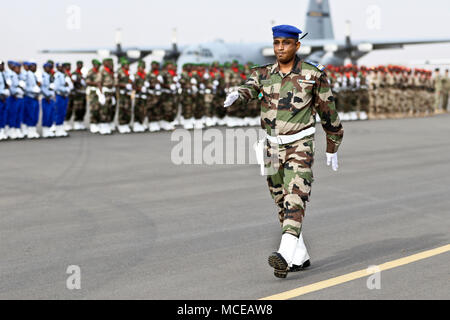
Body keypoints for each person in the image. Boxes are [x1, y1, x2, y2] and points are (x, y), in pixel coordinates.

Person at [224, 25, 344, 278]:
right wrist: (238, 94)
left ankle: (285, 252)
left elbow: (328, 111)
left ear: (296, 46)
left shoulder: (313, 74)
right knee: (280, 199)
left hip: (299, 145)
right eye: (276, 42)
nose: (280, 48)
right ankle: (299, 255)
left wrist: (332, 145)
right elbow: (249, 88)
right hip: (270, 147)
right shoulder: (263, 74)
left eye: (286, 43)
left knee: (295, 196)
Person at [23, 61, 40, 139]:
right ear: (30, 67)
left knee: (35, 114)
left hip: (34, 98)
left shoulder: (33, 75)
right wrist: (32, 90)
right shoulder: (27, 74)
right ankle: (30, 131)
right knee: (30, 114)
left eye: (36, 66)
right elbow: (25, 87)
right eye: (33, 66)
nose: (35, 68)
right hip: (30, 97)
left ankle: (33, 130)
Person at [86, 59, 102, 133]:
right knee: (94, 108)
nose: (98, 66)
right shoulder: (91, 72)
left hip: (99, 92)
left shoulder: (99, 72)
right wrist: (96, 84)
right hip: (93, 92)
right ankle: (93, 124)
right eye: (97, 65)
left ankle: (97, 123)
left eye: (99, 65)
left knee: (99, 108)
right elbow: (88, 82)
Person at [41, 62, 56, 138]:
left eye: (50, 67)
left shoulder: (50, 76)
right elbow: (42, 87)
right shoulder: (43, 76)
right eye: (47, 67)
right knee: (46, 114)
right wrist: (47, 95)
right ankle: (45, 130)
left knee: (51, 114)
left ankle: (49, 129)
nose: (49, 69)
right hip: (46, 98)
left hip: (51, 98)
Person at [0, 61, 9, 140]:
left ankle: (2, 131)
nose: (2, 66)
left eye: (2, 65)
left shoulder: (4, 74)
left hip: (4, 97)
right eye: (1, 65)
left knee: (3, 115)